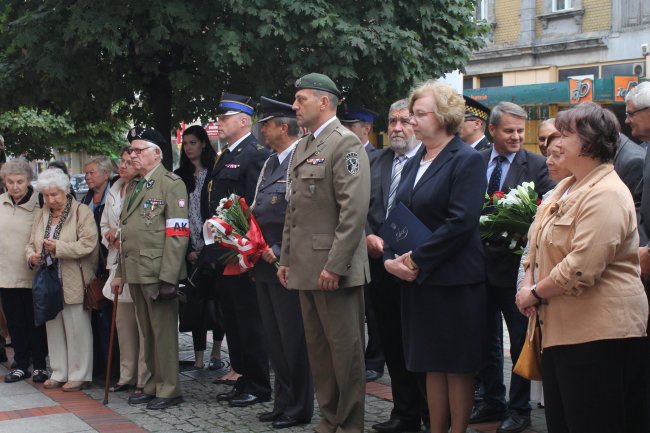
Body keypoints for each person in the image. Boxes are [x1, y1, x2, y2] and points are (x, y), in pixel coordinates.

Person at [516, 102, 650, 433]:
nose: (553, 143)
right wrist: (526, 283)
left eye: (564, 134)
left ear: (589, 141)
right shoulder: (567, 186)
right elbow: (533, 242)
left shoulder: (606, 192)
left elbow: (581, 266)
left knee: (594, 422)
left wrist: (533, 293)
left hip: (599, 335)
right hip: (562, 331)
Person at [382, 81, 487, 433]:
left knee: (455, 366)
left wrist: (414, 260)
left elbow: (461, 222)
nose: (411, 121)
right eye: (412, 114)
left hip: (453, 280)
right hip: (420, 280)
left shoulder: (466, 159)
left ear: (443, 117)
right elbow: (401, 213)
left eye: (419, 114)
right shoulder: (417, 160)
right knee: (429, 362)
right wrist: (393, 258)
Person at [278, 72, 371, 433]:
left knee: (345, 353)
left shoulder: (344, 144)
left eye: (301, 99)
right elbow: (294, 210)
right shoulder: (303, 146)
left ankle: (349, 424)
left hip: (335, 269)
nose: (294, 106)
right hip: (306, 266)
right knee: (319, 351)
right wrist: (286, 258)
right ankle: (329, 418)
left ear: (324, 102)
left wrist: (336, 264)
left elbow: (354, 211)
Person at [471, 102, 555, 433]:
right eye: (509, 131)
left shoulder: (537, 166)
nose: (517, 137)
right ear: (491, 130)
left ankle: (519, 409)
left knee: (519, 341)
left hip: (516, 270)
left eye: (521, 131)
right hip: (476, 268)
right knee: (483, 339)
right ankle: (491, 399)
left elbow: (548, 213)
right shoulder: (473, 162)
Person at [111, 127, 189, 410]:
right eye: (130, 150)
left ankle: (170, 389)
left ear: (156, 153)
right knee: (148, 332)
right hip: (136, 269)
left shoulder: (171, 183)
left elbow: (178, 233)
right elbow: (126, 232)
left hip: (158, 272)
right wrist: (120, 271)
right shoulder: (135, 185)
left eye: (138, 150)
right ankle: (154, 384)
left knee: (164, 334)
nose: (132, 155)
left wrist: (169, 277)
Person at [203, 92, 271, 407]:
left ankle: (258, 384)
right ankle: (243, 377)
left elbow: (254, 206)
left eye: (224, 118)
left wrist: (243, 245)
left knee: (249, 321)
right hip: (224, 251)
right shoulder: (225, 153)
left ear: (244, 121)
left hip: (243, 252)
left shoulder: (255, 153)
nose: (219, 123)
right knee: (232, 320)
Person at [250, 96, 314, 429]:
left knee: (294, 339)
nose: (261, 130)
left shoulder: (302, 159)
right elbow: (260, 209)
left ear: (283, 127)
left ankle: (300, 406)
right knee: (274, 339)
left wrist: (279, 247)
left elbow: (303, 214)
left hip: (286, 261)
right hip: (263, 264)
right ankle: (282, 401)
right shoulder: (270, 162)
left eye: (266, 124)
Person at [366, 99, 428, 433]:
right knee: (391, 341)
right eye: (392, 120)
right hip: (380, 266)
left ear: (417, 124)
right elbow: (356, 206)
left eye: (405, 120)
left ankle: (431, 414)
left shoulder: (427, 161)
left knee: (419, 345)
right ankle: (404, 415)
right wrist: (366, 237)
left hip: (417, 268)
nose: (397, 127)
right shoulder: (375, 160)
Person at [26, 168, 98, 391]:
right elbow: (30, 243)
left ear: (66, 191)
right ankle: (59, 371)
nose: (50, 199)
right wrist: (32, 256)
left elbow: (88, 244)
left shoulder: (81, 211)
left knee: (77, 327)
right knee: (53, 327)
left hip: (73, 278)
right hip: (48, 280)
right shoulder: (42, 213)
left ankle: (79, 374)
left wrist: (59, 248)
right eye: (46, 195)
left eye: (55, 194)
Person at [174, 125, 225, 371]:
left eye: (193, 142)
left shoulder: (214, 172)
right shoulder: (179, 175)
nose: (189, 147)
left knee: (217, 302)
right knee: (196, 304)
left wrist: (210, 249)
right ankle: (198, 357)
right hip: (190, 246)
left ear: (204, 143)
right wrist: (187, 251)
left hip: (213, 247)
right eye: (185, 143)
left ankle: (216, 351)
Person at [100, 147, 150, 394]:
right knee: (123, 323)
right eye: (121, 161)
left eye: (129, 162)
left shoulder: (142, 187)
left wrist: (120, 235)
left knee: (142, 324)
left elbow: (139, 223)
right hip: (115, 259)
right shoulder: (114, 188)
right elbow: (104, 222)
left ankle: (143, 376)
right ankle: (126, 373)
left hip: (135, 260)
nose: (123, 165)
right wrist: (108, 236)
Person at [341, 104, 384, 381]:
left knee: (375, 308)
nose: (345, 131)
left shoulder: (378, 158)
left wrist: (369, 233)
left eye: (351, 126)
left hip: (374, 244)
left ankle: (375, 359)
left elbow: (372, 203)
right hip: (352, 241)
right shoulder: (342, 157)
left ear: (366, 129)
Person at [0, 159, 49, 383]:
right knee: (15, 323)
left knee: (35, 323)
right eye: (10, 182)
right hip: (6, 274)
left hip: (33, 274)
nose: (15, 186)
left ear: (29, 181)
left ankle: (39, 365)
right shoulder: (0, 202)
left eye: (20, 181)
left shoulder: (40, 203)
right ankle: (20, 364)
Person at [82, 155, 117, 380]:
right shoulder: (86, 198)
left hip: (108, 263)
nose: (87, 177)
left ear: (106, 174)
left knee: (108, 319)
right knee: (94, 316)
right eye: (85, 173)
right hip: (90, 265)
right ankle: (97, 366)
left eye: (91, 173)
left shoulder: (112, 197)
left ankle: (110, 369)